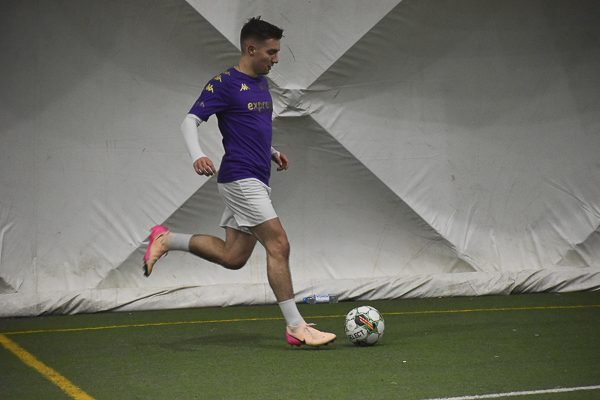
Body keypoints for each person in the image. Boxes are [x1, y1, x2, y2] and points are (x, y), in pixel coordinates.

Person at [143, 16, 335, 348]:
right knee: (279, 245)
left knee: (233, 257)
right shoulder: (224, 84)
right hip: (240, 178)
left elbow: (250, 128)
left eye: (277, 52)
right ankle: (296, 327)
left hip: (258, 175)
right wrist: (197, 155)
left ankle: (166, 239)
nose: (276, 59)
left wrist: (271, 152)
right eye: (271, 52)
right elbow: (189, 122)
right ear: (251, 49)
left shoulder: (261, 84)